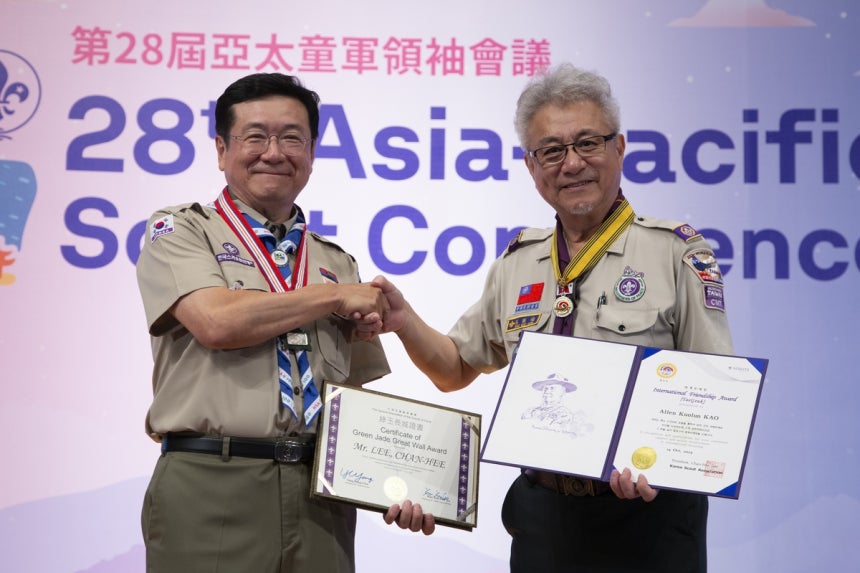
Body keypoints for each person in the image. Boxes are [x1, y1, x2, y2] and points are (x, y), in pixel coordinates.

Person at [378, 63, 733, 572]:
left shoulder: (675, 251)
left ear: (620, 148)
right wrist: (404, 318)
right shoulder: (518, 261)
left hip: (647, 516)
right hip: (544, 516)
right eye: (552, 150)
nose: (571, 164)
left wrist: (664, 459)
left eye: (588, 143)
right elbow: (455, 367)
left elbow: (712, 388)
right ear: (531, 166)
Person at [136, 72, 430, 573]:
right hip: (212, 482)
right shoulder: (181, 229)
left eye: (292, 137)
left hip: (321, 496)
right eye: (255, 136)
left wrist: (397, 485)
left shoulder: (336, 262)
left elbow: (351, 404)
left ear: (312, 152)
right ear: (222, 149)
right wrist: (331, 297)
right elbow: (216, 323)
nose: (273, 152)